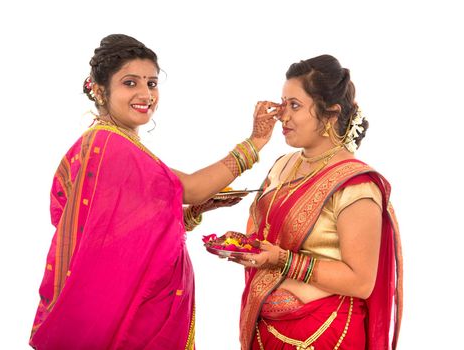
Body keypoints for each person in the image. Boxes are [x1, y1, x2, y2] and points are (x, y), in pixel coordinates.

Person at [29, 34, 281, 349]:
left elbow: (131, 224)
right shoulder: (111, 145)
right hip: (130, 320)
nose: (145, 94)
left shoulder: (112, 144)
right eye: (130, 83)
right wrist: (255, 142)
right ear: (99, 89)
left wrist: (194, 213)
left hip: (127, 308)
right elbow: (191, 187)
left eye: (151, 83)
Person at [226, 55, 403, 349]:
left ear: (330, 114)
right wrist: (246, 247)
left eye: (295, 106)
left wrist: (282, 261)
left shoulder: (355, 185)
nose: (283, 116)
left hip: (325, 334)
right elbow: (265, 233)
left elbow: (361, 281)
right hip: (265, 329)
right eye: (283, 103)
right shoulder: (283, 164)